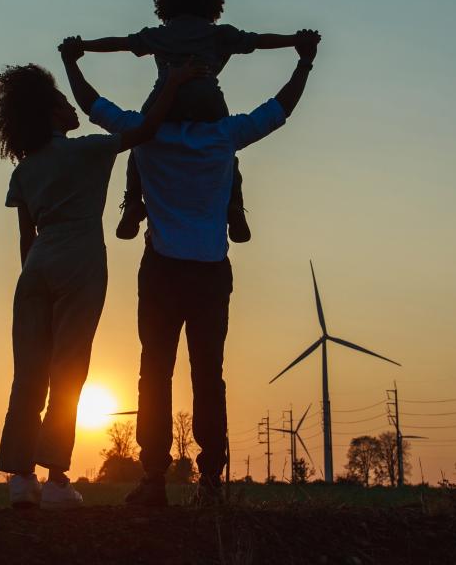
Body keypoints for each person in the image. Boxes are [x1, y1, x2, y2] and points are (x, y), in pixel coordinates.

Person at [61, 30, 321, 506]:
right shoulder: (225, 135)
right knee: (209, 373)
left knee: (153, 372)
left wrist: (70, 60)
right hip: (210, 272)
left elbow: (92, 104)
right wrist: (304, 62)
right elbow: (279, 109)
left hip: (161, 270)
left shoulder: (148, 135)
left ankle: (153, 479)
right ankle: (211, 483)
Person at [0, 58, 206, 509]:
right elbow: (146, 129)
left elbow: (26, 240)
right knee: (69, 370)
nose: (73, 110)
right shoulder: (88, 149)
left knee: (27, 375)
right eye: (66, 104)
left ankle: (20, 480)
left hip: (34, 271)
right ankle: (57, 481)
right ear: (52, 115)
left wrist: (36, 277)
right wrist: (173, 80)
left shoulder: (23, 171)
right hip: (80, 260)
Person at [73, 0, 309, 243]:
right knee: (226, 151)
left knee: (139, 144)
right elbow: (259, 41)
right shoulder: (220, 35)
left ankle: (133, 201)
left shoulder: (161, 35)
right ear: (211, 6)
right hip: (207, 104)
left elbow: (120, 44)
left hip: (164, 104)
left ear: (166, 6)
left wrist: (83, 46)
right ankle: (234, 205)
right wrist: (296, 41)